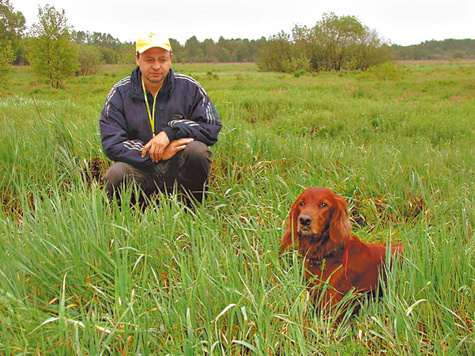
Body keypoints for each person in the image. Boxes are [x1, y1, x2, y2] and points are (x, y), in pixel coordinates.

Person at [100, 32, 222, 207]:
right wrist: (155, 154)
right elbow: (112, 144)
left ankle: (193, 212)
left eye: (162, 60)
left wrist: (170, 132)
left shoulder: (190, 87)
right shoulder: (120, 93)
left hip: (178, 169)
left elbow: (210, 128)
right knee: (117, 173)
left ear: (170, 59)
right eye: (149, 60)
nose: (156, 66)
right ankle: (130, 220)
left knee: (197, 151)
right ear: (137, 59)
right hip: (140, 170)